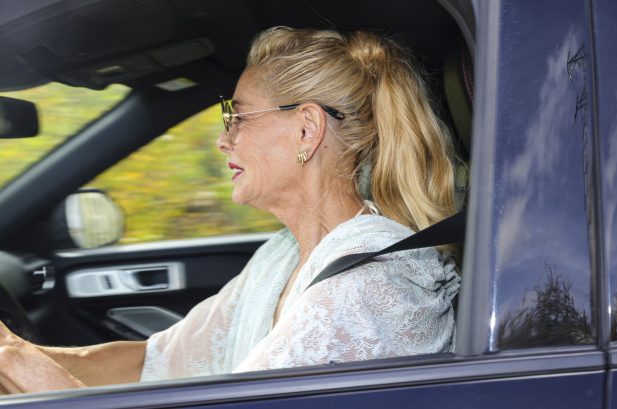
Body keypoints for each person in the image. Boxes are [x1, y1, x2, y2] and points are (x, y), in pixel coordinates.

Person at [0, 26, 460, 393]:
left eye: (238, 116)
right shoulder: (281, 257)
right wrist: (12, 348)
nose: (224, 138)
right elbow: (156, 362)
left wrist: (18, 364)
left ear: (306, 130)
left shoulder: (369, 287)